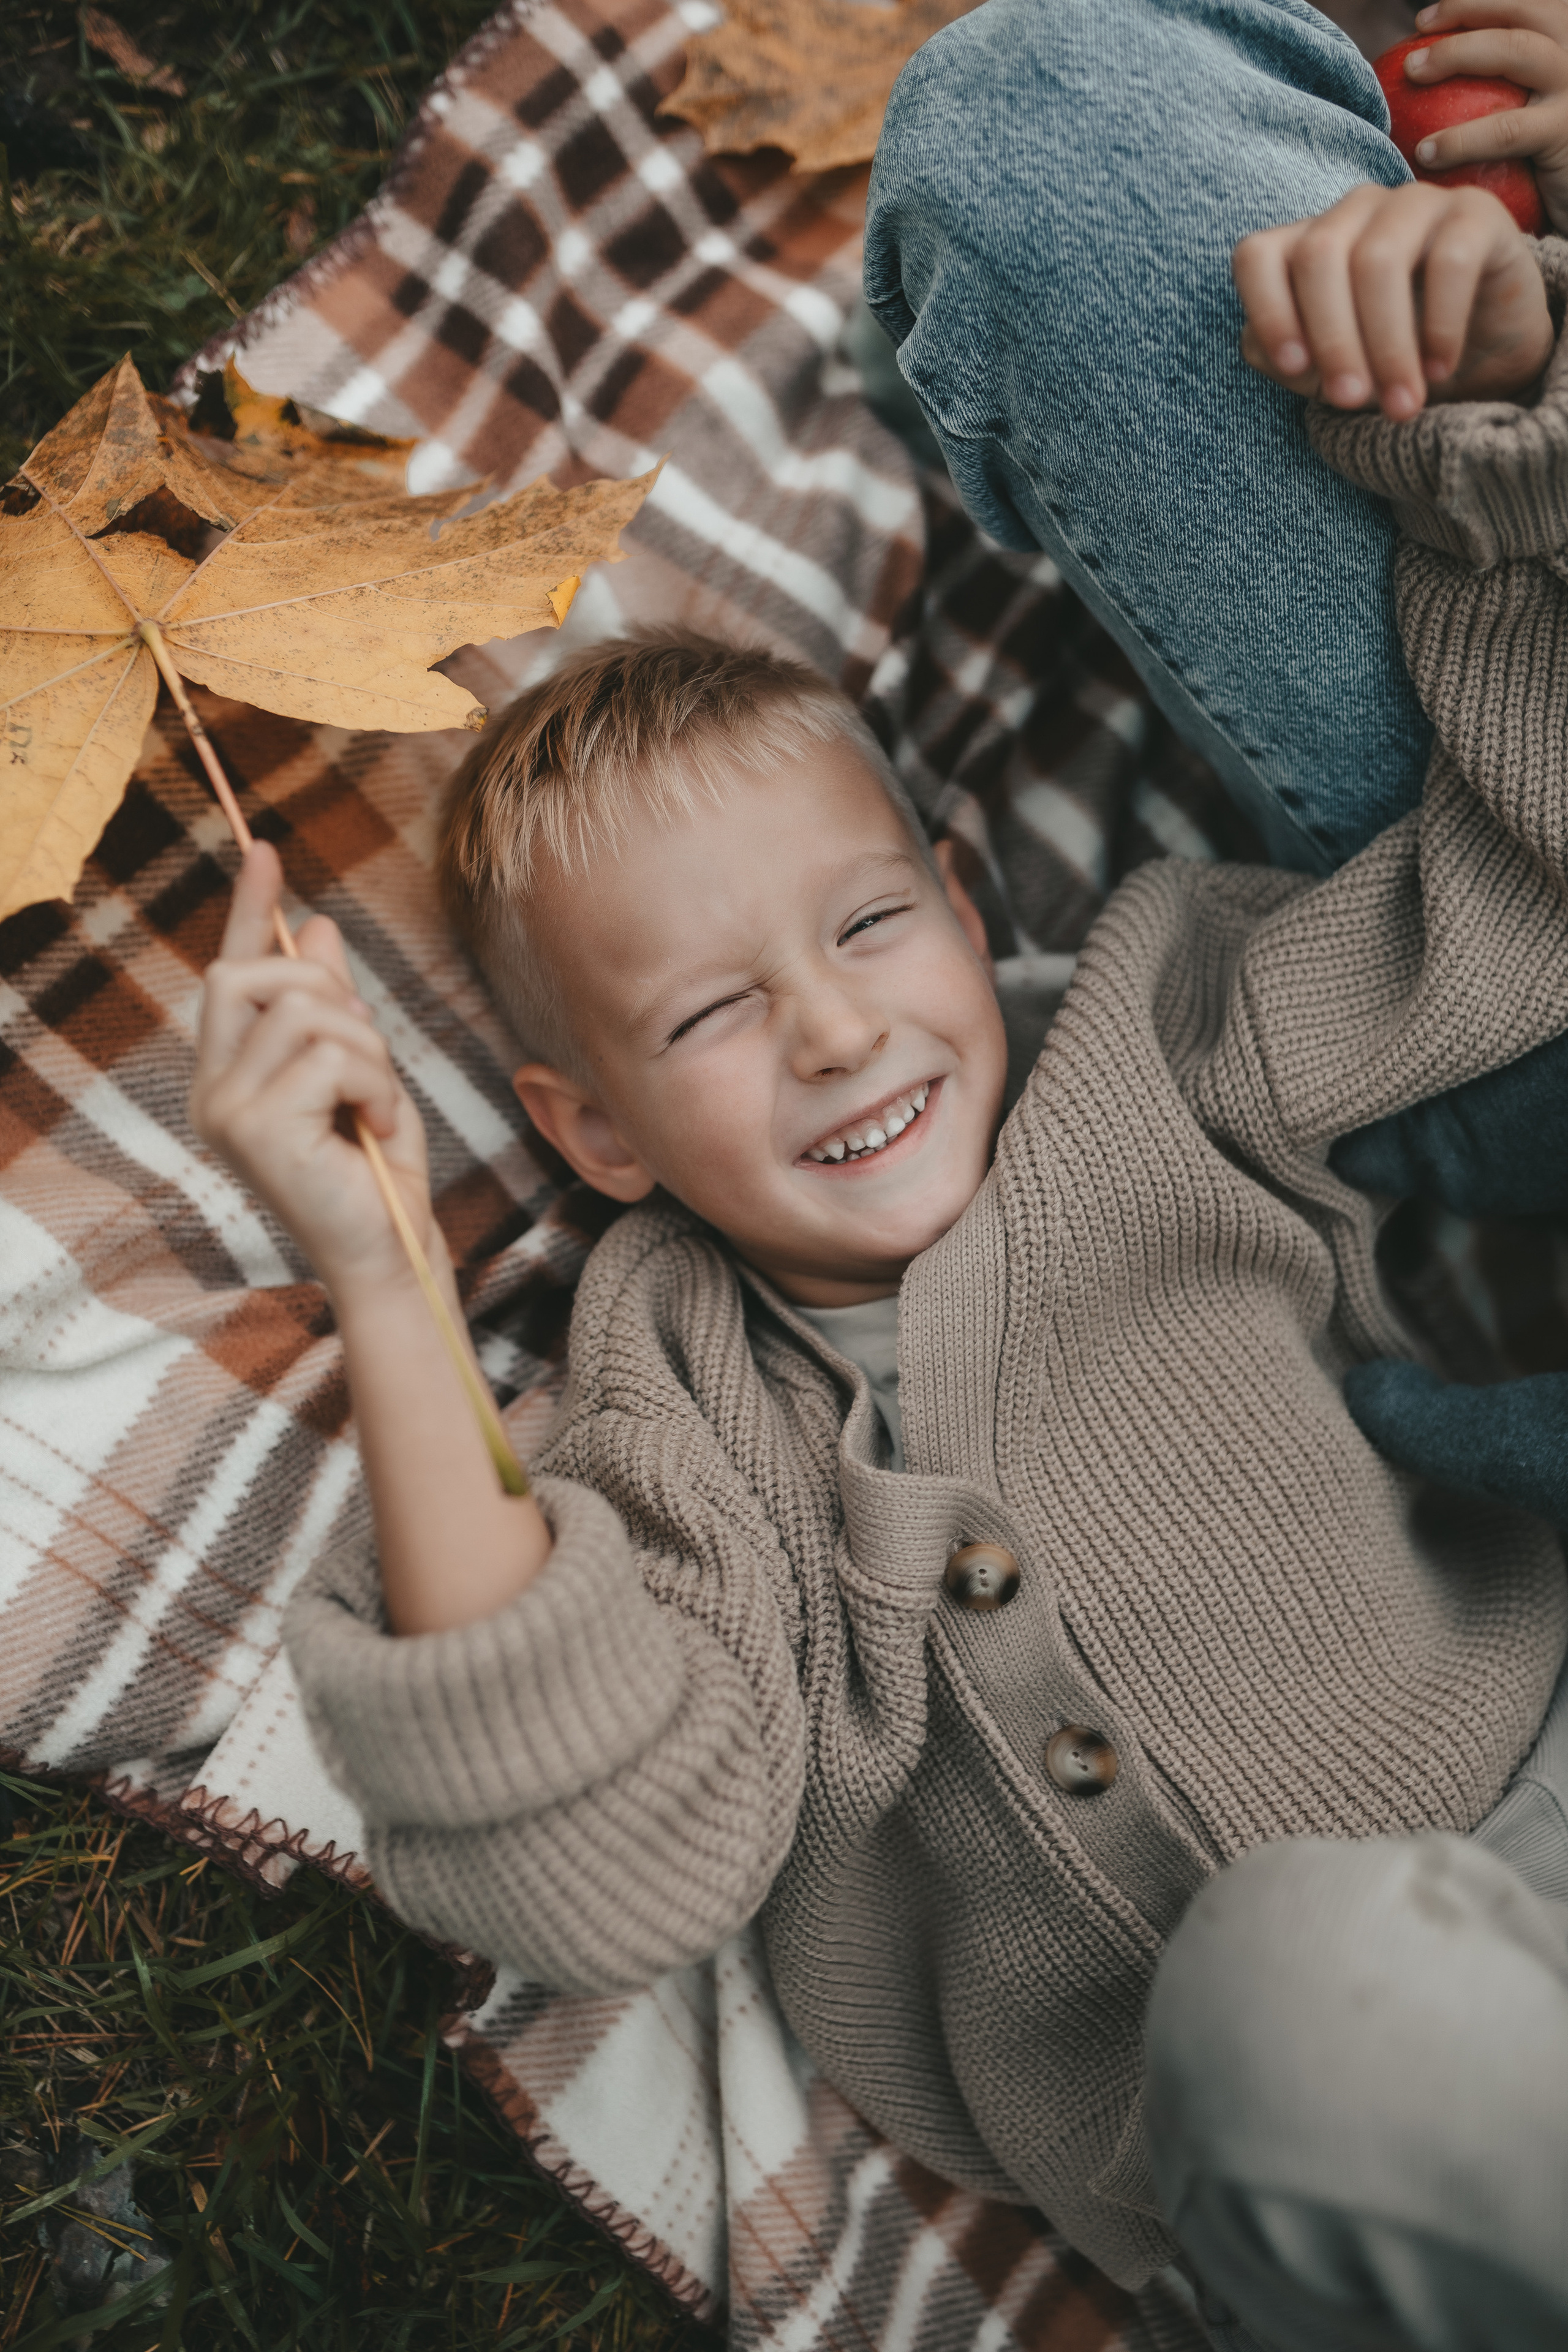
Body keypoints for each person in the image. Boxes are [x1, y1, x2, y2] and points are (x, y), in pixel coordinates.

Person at [186, 21, 1568, 2352]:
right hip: (1311, 2118)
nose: (833, 1032)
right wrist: (378, 1267)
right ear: (593, 1130)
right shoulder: (673, 1419)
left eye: (866, 931)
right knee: (1320, 1991)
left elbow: (1516, 897)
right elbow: (599, 1862)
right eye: (711, 1019)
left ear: (954, 891)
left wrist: (1493, 463)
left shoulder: (1148, 1032)